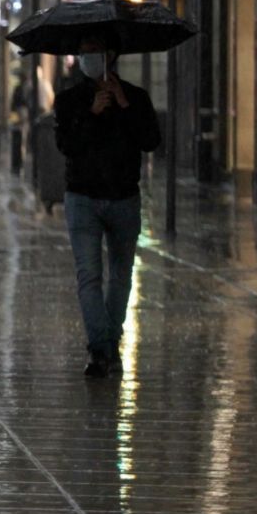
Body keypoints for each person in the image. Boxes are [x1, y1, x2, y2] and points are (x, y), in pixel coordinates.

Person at [54, 37, 160, 378]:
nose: (87, 58)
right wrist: (91, 114)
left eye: (94, 52)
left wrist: (124, 105)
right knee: (89, 275)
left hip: (124, 198)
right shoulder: (70, 99)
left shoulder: (135, 97)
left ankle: (110, 341)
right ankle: (100, 348)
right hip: (83, 198)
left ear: (110, 55)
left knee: (121, 276)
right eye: (83, 52)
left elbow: (150, 140)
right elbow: (66, 145)